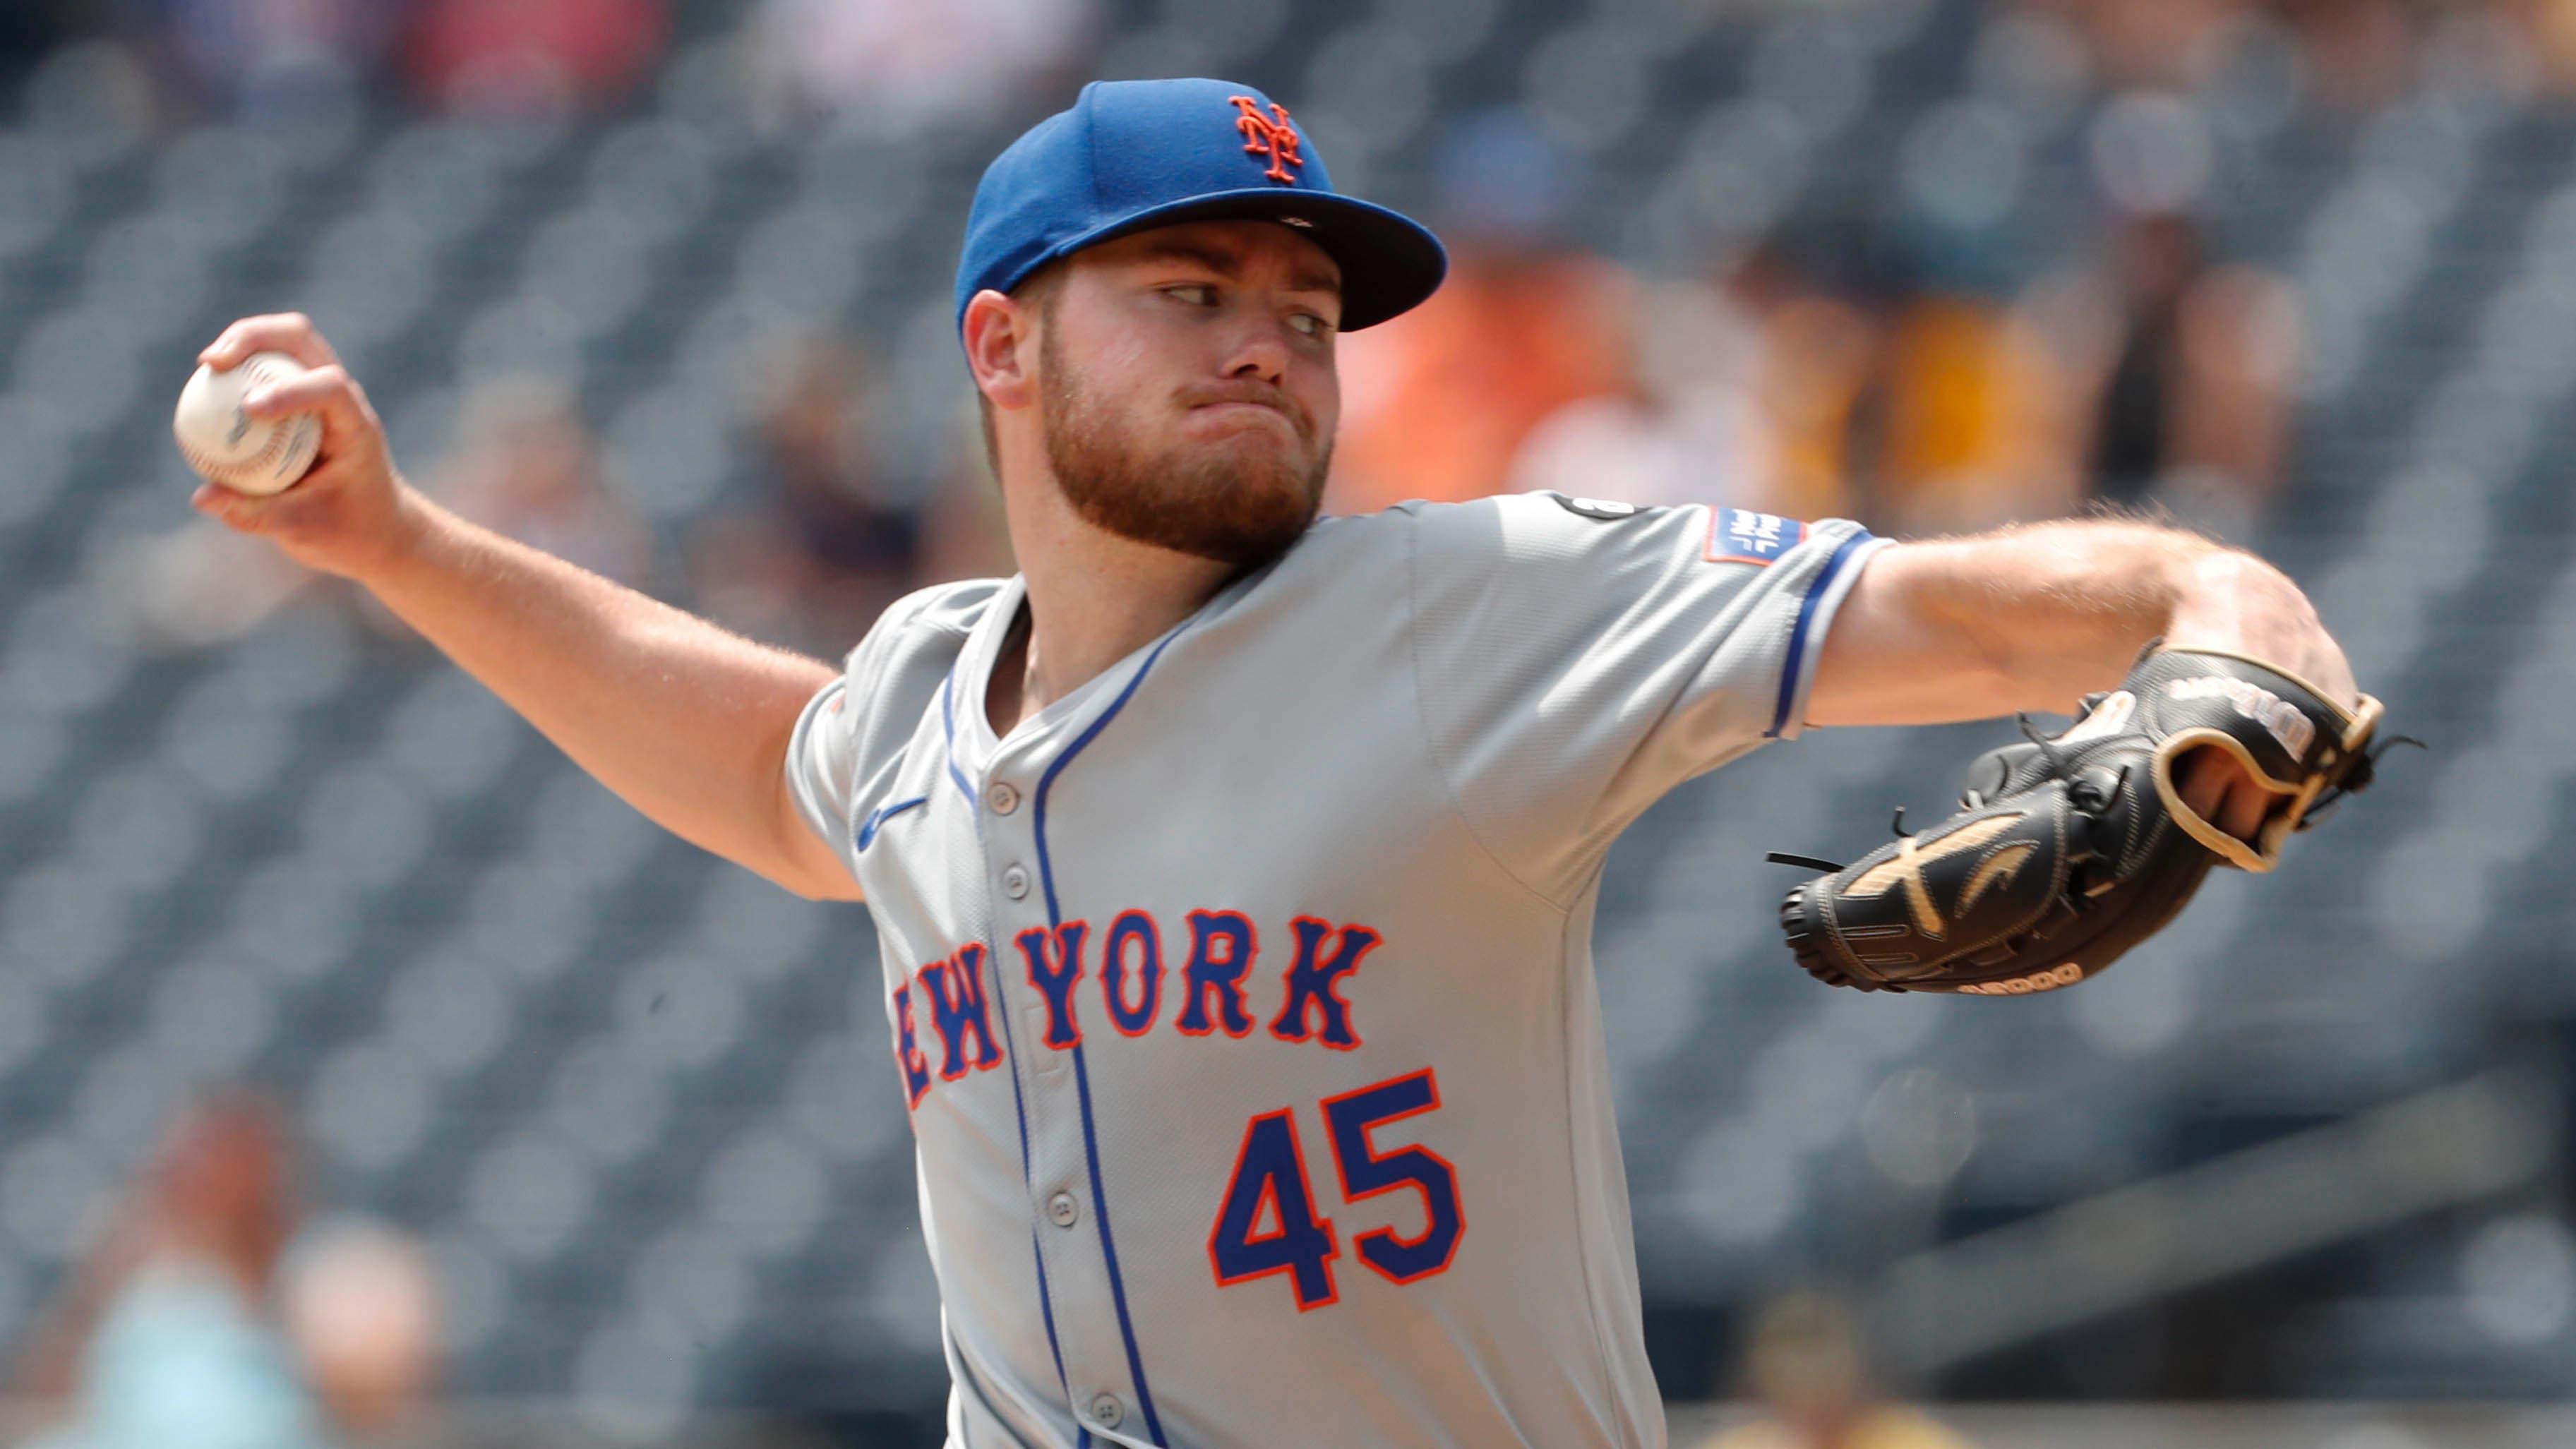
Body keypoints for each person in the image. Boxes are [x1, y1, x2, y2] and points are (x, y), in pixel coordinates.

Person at [184, 76, 2358, 1448]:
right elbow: (772, 769)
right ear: (1000, 348)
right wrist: (394, 539)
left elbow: (1966, 608)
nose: (1268, 338)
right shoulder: (932, 697)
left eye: (1306, 314)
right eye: (1190, 286)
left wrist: (2230, 622)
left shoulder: (1473, 605)